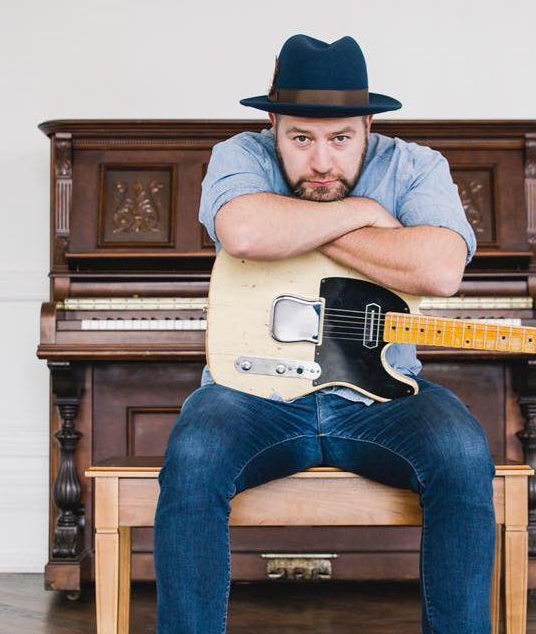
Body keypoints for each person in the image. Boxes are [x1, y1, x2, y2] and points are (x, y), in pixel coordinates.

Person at [153, 34, 496, 634]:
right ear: (273, 124)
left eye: (340, 139)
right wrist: (366, 216)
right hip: (248, 394)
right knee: (194, 454)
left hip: (385, 398)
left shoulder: (417, 166)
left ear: (369, 125)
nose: (320, 163)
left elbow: (441, 270)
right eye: (301, 138)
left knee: (464, 453)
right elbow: (244, 233)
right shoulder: (240, 153)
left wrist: (302, 226)